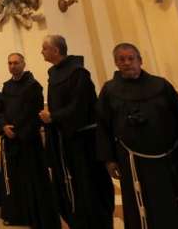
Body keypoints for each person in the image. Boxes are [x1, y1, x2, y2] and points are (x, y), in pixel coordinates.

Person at [96, 43, 178, 229]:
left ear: (140, 60)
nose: (127, 63)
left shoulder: (161, 85)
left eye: (131, 58)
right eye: (121, 59)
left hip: (171, 160)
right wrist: (109, 159)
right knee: (143, 205)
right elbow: (103, 127)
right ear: (116, 63)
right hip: (133, 162)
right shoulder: (109, 91)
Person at [40, 34, 114, 228]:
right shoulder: (55, 73)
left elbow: (79, 107)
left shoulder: (78, 73)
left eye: (44, 49)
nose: (41, 52)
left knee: (88, 183)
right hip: (64, 139)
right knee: (70, 181)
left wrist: (54, 117)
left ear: (56, 51)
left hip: (83, 141)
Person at [0, 53, 61, 228]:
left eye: (16, 62)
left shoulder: (33, 86)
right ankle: (16, 214)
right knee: (13, 179)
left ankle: (35, 215)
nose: (12, 66)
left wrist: (18, 132)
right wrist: (4, 127)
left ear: (24, 64)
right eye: (9, 63)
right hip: (10, 140)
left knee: (32, 179)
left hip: (28, 141)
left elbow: (34, 114)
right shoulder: (6, 86)